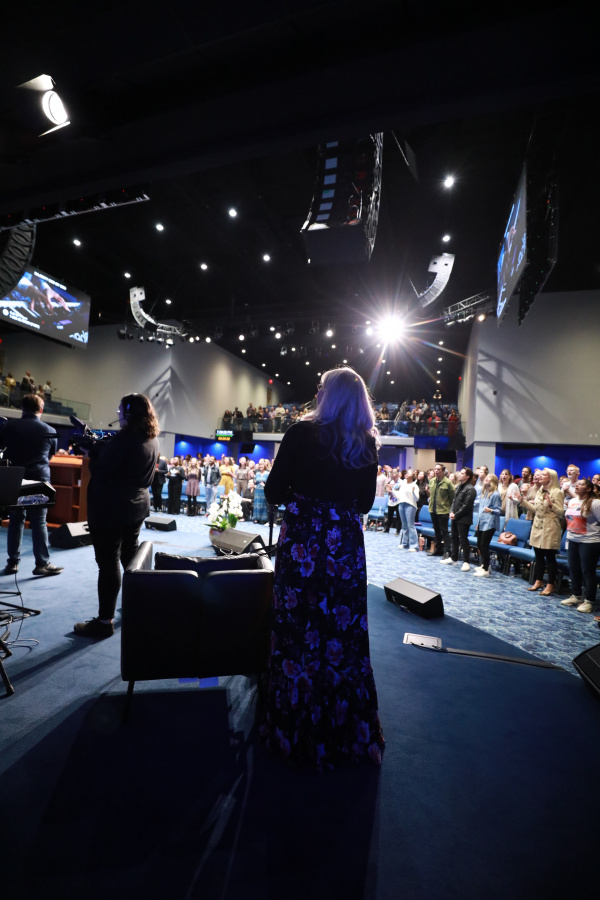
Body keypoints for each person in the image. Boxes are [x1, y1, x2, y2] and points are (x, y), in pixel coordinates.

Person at [262, 366, 384, 770]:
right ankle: (345, 729)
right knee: (343, 631)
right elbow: (365, 504)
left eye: (320, 388)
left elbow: (274, 492)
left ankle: (294, 726)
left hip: (303, 542)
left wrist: (304, 495)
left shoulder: (300, 433)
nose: (316, 392)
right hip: (344, 546)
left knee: (298, 626)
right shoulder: (366, 441)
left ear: (328, 395)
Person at [73, 393, 160, 638]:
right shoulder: (151, 438)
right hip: (136, 507)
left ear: (129, 413)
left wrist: (91, 453)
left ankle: (104, 622)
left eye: (120, 410)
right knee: (130, 557)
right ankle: (140, 606)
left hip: (112, 509)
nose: (118, 414)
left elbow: (102, 471)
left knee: (108, 563)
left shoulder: (124, 439)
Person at [0, 393, 63, 577]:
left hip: (14, 477)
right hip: (38, 478)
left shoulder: (8, 427)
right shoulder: (50, 430)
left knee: (15, 521)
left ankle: (12, 563)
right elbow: (50, 456)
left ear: (22, 408)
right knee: (39, 521)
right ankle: (42, 564)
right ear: (40, 409)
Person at [520, 468, 564, 597]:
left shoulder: (557, 492)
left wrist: (551, 505)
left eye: (543, 475)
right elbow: (536, 509)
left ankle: (550, 584)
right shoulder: (540, 490)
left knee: (550, 557)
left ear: (551, 478)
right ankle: (538, 581)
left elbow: (561, 513)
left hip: (550, 527)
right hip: (537, 526)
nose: (540, 476)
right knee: (538, 556)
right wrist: (522, 501)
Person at [561, 479, 600, 613]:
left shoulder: (595, 503)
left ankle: (589, 601)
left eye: (581, 484)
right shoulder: (572, 501)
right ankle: (576, 596)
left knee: (587, 571)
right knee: (574, 569)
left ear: (589, 489)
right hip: (572, 539)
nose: (577, 485)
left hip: (589, 541)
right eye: (577, 484)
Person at [443, 467, 476, 570]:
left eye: (462, 473)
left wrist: (456, 514)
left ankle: (466, 562)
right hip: (455, 517)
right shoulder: (458, 486)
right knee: (454, 538)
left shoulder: (470, 489)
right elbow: (454, 501)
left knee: (463, 539)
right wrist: (451, 512)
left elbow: (466, 505)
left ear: (467, 476)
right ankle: (454, 558)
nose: (459, 474)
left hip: (464, 518)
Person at [473, 473, 502, 577]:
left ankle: (486, 569)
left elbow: (498, 510)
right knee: (479, 545)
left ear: (493, 481)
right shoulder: (484, 492)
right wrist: (478, 523)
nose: (486, 479)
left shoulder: (495, 494)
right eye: (486, 477)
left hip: (490, 523)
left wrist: (490, 510)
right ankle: (484, 564)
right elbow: (480, 509)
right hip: (482, 522)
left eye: (488, 478)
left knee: (484, 545)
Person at [428, 463, 455, 558]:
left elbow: (453, 498)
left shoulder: (448, 483)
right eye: (435, 469)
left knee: (444, 531)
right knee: (436, 531)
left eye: (438, 469)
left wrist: (451, 510)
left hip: (443, 511)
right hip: (433, 509)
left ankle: (447, 551)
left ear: (443, 471)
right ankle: (438, 549)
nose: (436, 471)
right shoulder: (432, 481)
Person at [396, 469, 420, 551]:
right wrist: (391, 491)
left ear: (412, 476)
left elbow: (416, 499)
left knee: (410, 526)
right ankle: (404, 543)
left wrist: (413, 492)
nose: (406, 474)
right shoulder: (403, 484)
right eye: (406, 473)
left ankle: (414, 546)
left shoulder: (414, 486)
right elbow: (398, 496)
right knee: (404, 526)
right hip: (401, 504)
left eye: (409, 473)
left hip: (410, 506)